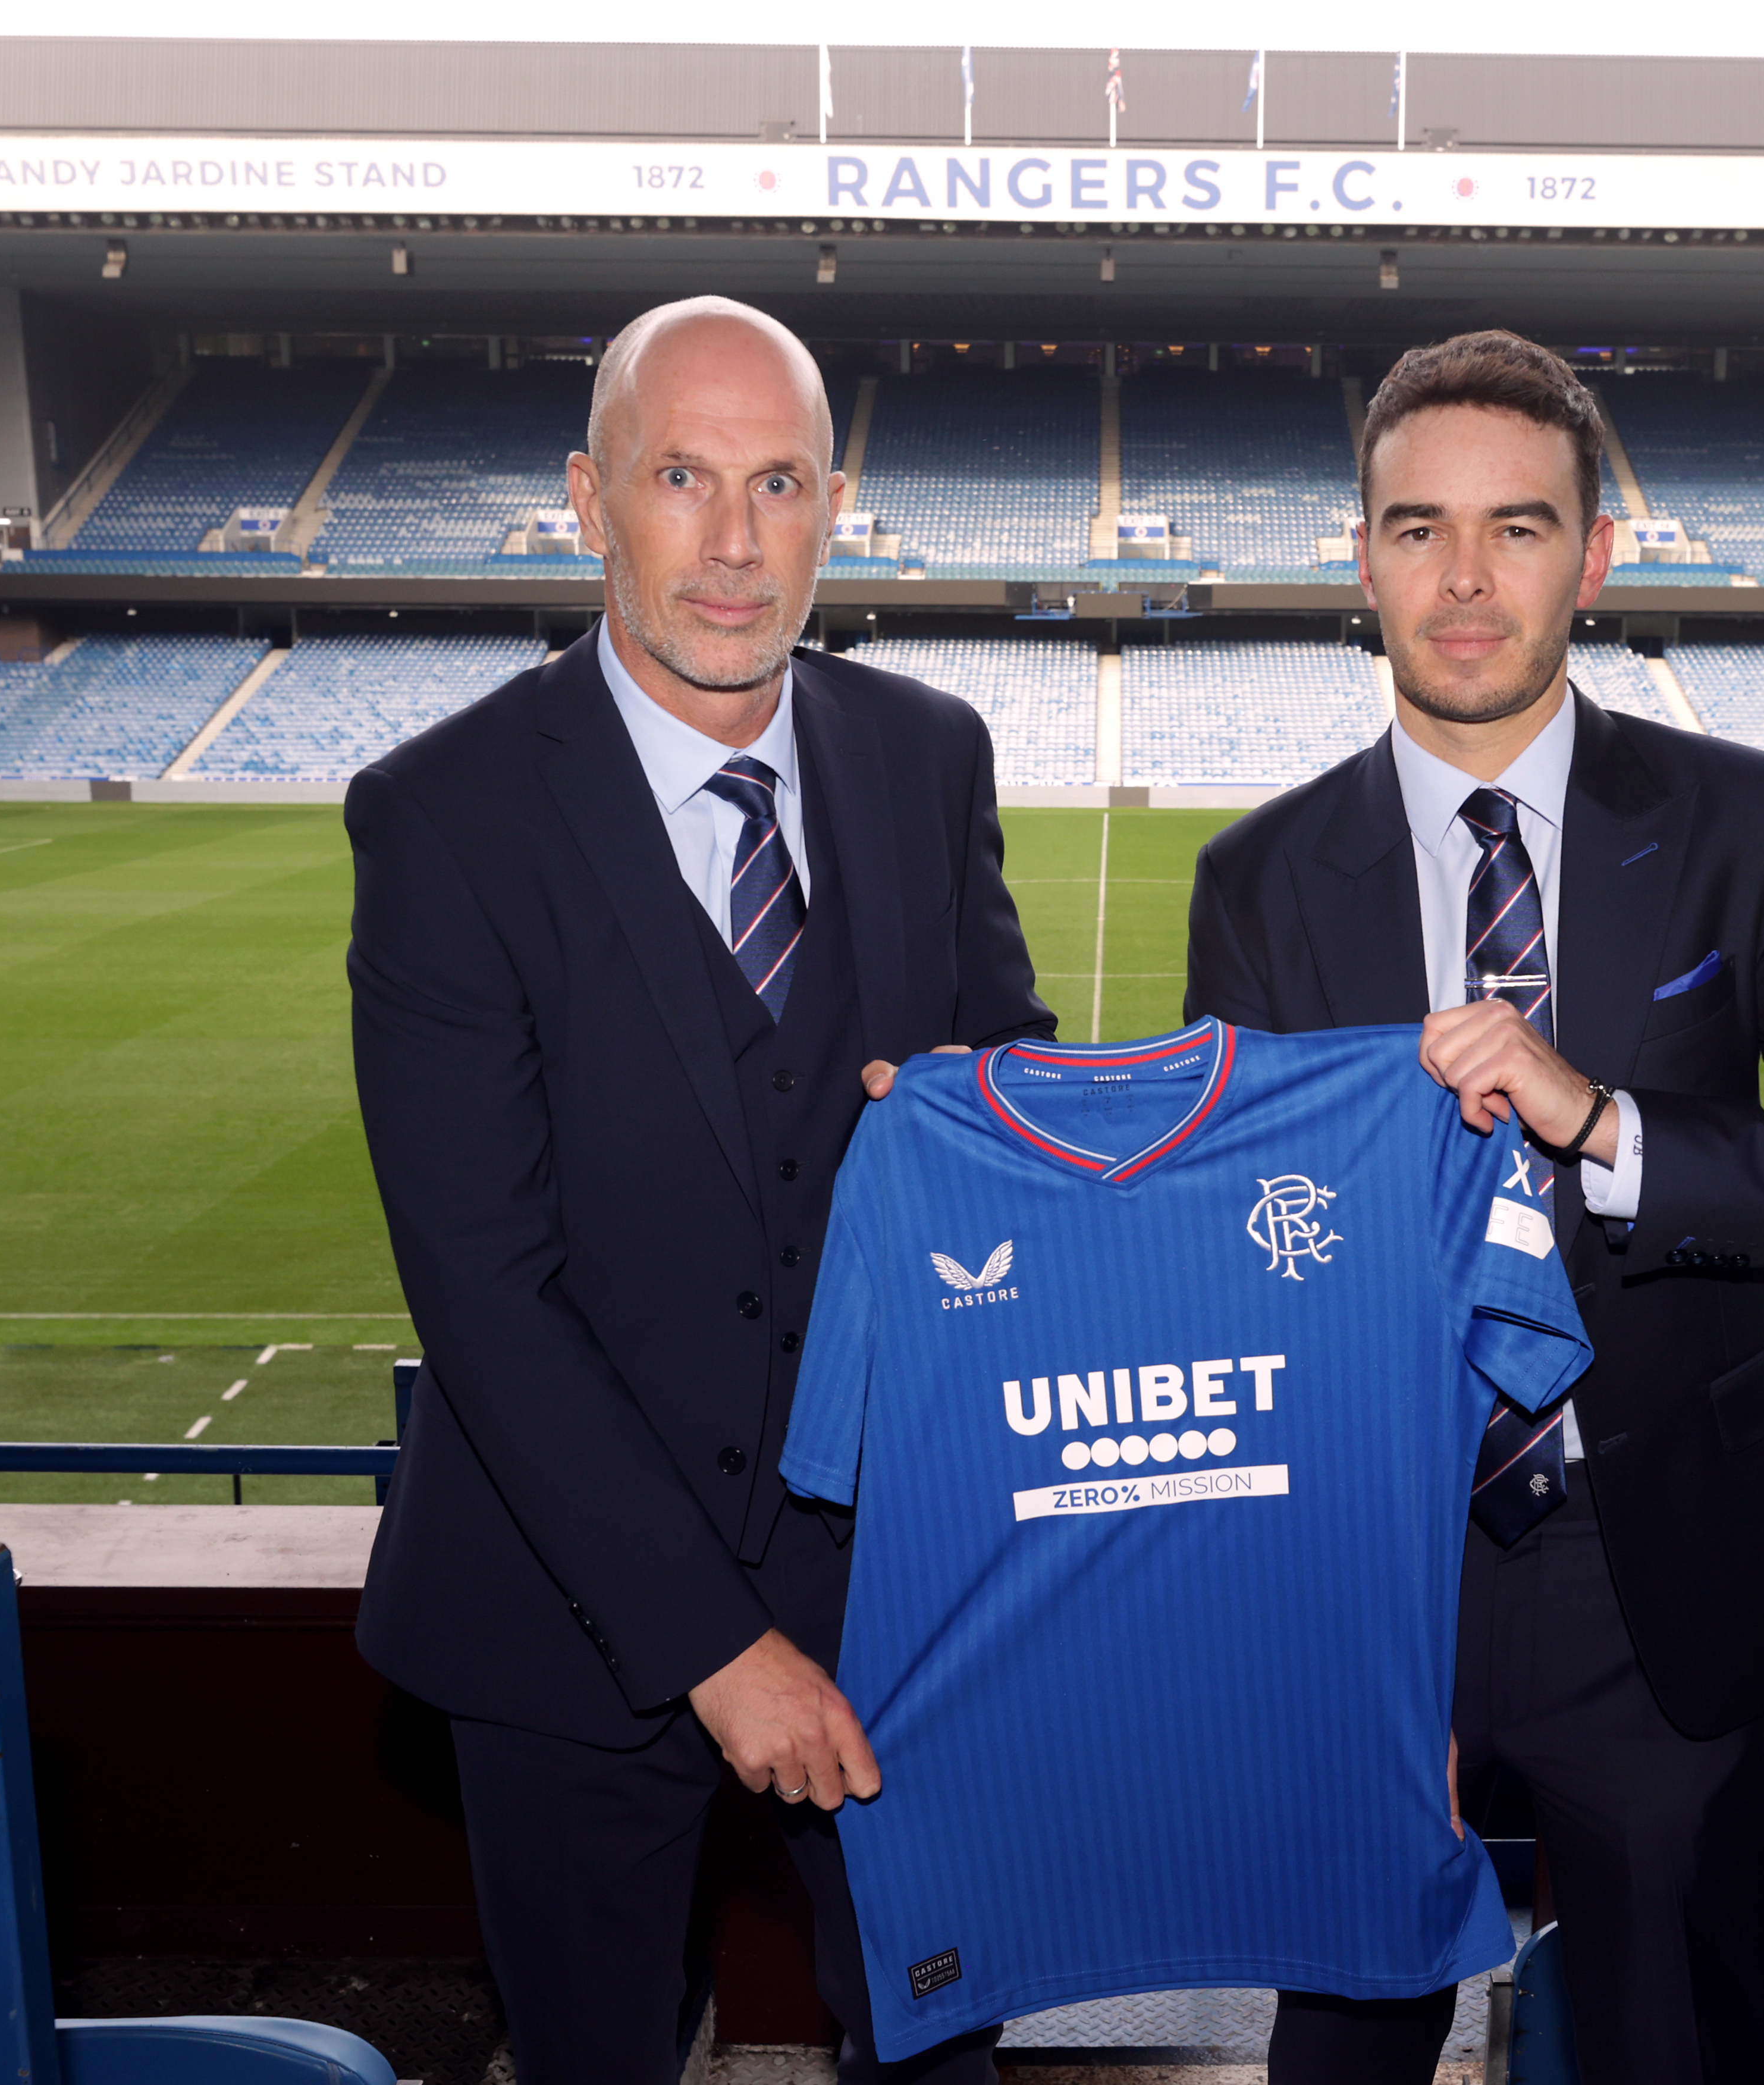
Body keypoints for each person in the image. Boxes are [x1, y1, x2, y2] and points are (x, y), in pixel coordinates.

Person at [1184, 331, 1764, 2084]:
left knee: (1668, 2054)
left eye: (1517, 527)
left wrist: (1605, 1122)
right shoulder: (1252, 876)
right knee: (1337, 2056)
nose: (1463, 580)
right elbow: (1257, 1269)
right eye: (1416, 529)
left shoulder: (1740, 823)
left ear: (1595, 555)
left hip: (1671, 1588)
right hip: (1377, 1594)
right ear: (1361, 558)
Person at [344, 296, 1050, 2085]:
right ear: (591, 499)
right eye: (682, 477)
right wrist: (711, 1646)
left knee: (938, 2042)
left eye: (780, 483)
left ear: (836, 504)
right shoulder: (442, 818)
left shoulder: (927, 755)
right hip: (566, 1617)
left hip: (894, 1584)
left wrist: (1000, 1127)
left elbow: (1006, 1107)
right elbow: (486, 1291)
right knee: (597, 2057)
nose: (734, 544)